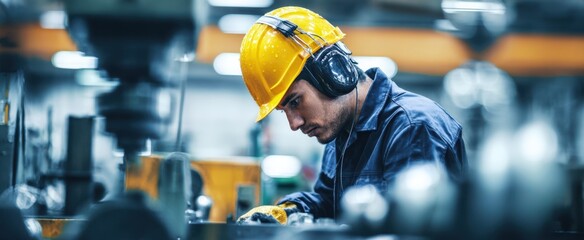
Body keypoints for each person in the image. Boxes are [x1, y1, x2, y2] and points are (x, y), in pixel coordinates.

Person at [237, 6, 468, 224]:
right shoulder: (342, 130)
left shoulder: (412, 127)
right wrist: (289, 211)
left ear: (332, 74)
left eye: (295, 101)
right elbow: (329, 204)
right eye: (284, 111)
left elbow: (408, 229)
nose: (294, 123)